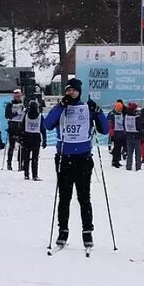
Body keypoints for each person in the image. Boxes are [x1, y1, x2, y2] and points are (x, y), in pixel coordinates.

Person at [43, 78, 109, 250]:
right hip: (64, 158)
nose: (70, 93)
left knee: (84, 198)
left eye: (73, 90)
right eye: (68, 90)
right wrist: (59, 107)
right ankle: (62, 231)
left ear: (79, 91)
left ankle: (88, 232)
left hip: (83, 159)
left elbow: (105, 129)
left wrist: (99, 111)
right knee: (64, 198)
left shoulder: (87, 108)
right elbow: (47, 125)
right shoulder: (61, 108)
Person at [21, 99, 46, 180]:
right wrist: (45, 140)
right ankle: (35, 175)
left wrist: (21, 138)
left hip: (27, 137)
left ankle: (26, 174)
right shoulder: (40, 116)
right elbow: (43, 129)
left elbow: (22, 127)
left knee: (26, 157)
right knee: (35, 158)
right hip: (36, 137)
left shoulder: (26, 115)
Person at [4, 89, 25, 170]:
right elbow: (7, 115)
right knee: (12, 146)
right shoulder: (10, 104)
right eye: (16, 96)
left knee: (22, 145)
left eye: (18, 95)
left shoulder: (23, 104)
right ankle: (9, 163)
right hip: (13, 127)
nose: (17, 97)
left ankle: (20, 163)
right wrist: (16, 113)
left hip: (21, 126)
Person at [123, 102, 142, 171]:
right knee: (138, 153)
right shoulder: (137, 117)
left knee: (129, 153)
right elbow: (139, 127)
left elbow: (124, 125)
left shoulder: (126, 116)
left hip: (128, 136)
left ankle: (128, 166)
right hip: (136, 136)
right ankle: (138, 167)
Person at [109, 100, 125, 168]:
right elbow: (110, 125)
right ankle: (114, 161)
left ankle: (117, 160)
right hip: (115, 133)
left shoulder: (122, 114)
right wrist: (111, 134)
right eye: (118, 109)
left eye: (120, 109)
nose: (119, 110)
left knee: (119, 148)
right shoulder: (112, 114)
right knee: (116, 148)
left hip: (121, 133)